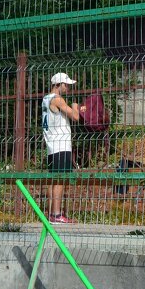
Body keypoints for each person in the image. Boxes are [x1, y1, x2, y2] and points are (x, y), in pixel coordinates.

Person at [41, 71, 80, 224]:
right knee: (60, 179)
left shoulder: (46, 99)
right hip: (61, 144)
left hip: (51, 144)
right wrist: (75, 107)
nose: (68, 88)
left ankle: (52, 213)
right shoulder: (57, 99)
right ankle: (57, 215)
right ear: (59, 85)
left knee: (53, 178)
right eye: (67, 85)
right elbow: (75, 117)